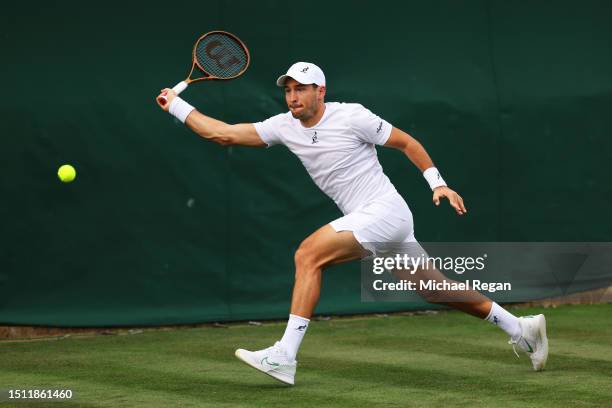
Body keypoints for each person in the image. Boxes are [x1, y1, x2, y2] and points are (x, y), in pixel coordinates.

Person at [156, 62, 548, 385]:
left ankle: (285, 355)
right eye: (288, 89)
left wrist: (438, 183)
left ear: (320, 91)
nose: (293, 95)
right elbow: (223, 134)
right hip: (377, 219)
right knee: (434, 290)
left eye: (302, 89)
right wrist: (175, 105)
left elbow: (407, 143)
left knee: (308, 254)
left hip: (384, 211)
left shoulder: (352, 116)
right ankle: (521, 328)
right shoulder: (283, 126)